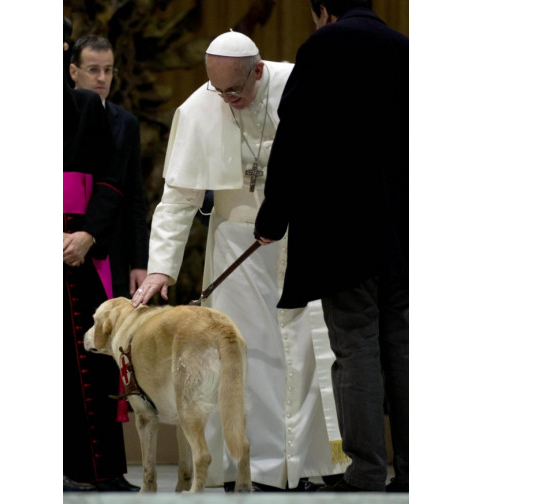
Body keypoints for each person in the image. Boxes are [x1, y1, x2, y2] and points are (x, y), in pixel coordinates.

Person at [131, 30, 348, 492]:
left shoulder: (298, 83)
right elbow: (178, 197)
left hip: (303, 238)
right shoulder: (197, 108)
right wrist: (160, 267)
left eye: (236, 89)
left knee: (309, 352)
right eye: (218, 89)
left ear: (258, 69)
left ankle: (309, 465)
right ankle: (256, 467)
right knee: (246, 357)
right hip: (237, 246)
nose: (227, 100)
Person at [253, 0, 409, 493]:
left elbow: (294, 138)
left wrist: (273, 216)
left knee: (356, 345)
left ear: (323, 10)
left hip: (345, 231)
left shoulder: (321, 49)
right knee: (403, 347)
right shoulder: (405, 50)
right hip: (406, 228)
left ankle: (365, 472)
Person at [63, 19, 140, 493]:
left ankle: (97, 469)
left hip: (75, 248)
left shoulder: (86, 107)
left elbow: (116, 182)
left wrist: (89, 232)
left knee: (90, 362)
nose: (101, 77)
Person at [69, 35, 148, 300]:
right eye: (93, 70)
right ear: (73, 71)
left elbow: (135, 196)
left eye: (108, 70)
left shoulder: (126, 123)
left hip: (112, 246)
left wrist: (139, 262)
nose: (102, 78)